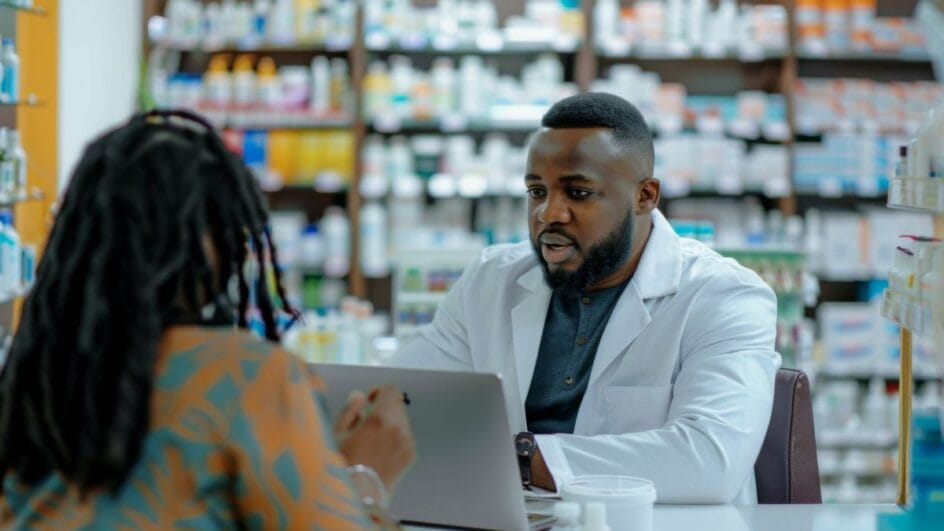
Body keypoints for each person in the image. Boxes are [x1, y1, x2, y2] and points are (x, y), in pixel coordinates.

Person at [0, 111, 414, 528]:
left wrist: (314, 468)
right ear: (217, 243)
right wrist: (365, 480)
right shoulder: (245, 376)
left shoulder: (34, 381)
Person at [391, 92, 781, 504]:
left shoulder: (723, 296)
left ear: (645, 196)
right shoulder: (492, 279)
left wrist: (522, 461)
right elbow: (401, 396)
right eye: (536, 191)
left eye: (577, 193)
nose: (549, 214)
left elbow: (710, 462)